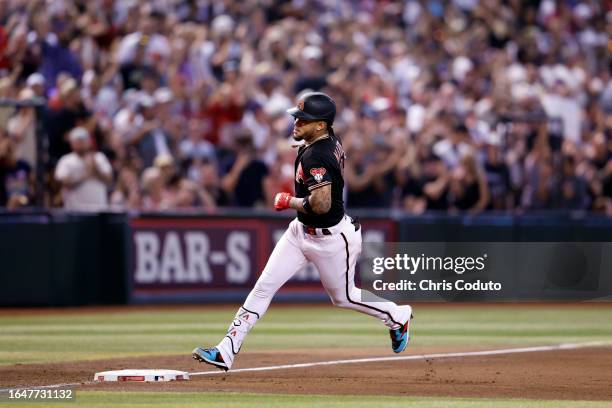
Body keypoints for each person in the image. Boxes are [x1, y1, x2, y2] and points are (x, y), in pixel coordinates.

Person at [192, 92, 413, 371]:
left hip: (332, 237)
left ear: (320, 125)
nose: (296, 122)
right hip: (300, 232)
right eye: (297, 116)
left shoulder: (318, 154)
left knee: (344, 297)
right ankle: (226, 350)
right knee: (263, 287)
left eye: (304, 119)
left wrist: (289, 201)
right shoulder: (323, 140)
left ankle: (397, 314)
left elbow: (320, 204)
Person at [54, 127, 112, 211]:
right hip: (75, 211)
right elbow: (62, 182)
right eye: (77, 141)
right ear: (72, 143)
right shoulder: (66, 160)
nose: (80, 144)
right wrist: (84, 175)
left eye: (83, 140)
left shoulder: (99, 157)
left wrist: (95, 168)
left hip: (99, 210)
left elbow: (109, 179)